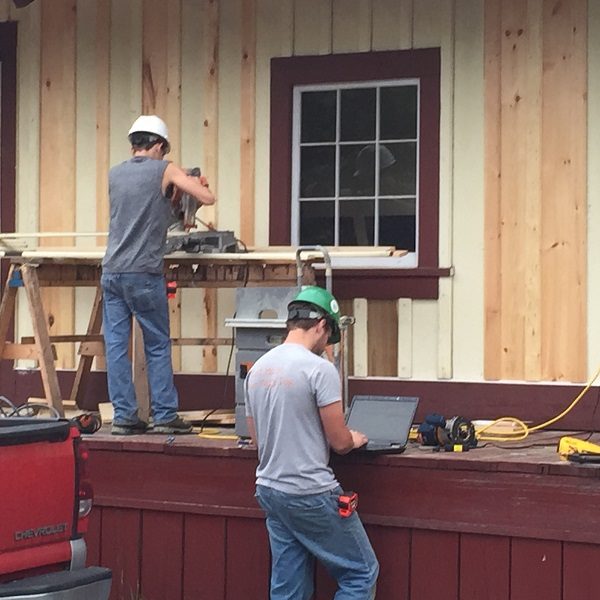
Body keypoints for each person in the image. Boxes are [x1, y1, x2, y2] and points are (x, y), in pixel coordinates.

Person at [245, 286, 379, 599]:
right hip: (311, 491)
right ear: (321, 325)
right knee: (361, 572)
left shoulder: (257, 369)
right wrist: (354, 438)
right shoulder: (319, 369)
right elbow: (340, 443)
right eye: (328, 337)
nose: (326, 346)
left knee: (289, 584)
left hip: (270, 490)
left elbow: (257, 441)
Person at [102, 115, 215, 436]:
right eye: (164, 151)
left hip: (111, 272)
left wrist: (174, 198)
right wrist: (192, 183)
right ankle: (164, 414)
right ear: (159, 145)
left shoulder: (115, 174)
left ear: (134, 144)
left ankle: (124, 417)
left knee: (116, 347)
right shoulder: (164, 168)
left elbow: (143, 212)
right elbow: (207, 198)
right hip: (144, 273)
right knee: (156, 344)